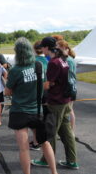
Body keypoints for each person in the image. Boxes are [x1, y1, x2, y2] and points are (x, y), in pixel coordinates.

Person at [5, 37, 58, 174]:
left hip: (19, 111)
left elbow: (7, 91)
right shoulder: (40, 65)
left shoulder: (15, 70)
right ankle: (54, 172)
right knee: (44, 142)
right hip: (37, 110)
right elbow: (45, 85)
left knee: (23, 148)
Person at [31, 36, 79, 170]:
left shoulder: (53, 62)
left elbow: (49, 84)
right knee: (66, 132)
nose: (42, 50)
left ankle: (46, 159)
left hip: (56, 102)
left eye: (42, 47)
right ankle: (72, 160)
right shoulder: (63, 59)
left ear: (46, 48)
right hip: (65, 100)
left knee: (49, 131)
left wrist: (39, 88)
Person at [28, 41, 49, 151]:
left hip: (37, 92)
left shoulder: (34, 61)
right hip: (45, 91)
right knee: (42, 118)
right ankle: (38, 139)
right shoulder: (46, 60)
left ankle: (37, 142)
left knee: (35, 119)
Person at [56, 39, 77, 134]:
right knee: (68, 110)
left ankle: (70, 131)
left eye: (58, 47)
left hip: (69, 88)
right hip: (71, 87)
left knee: (69, 110)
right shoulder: (69, 59)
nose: (56, 49)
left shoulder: (67, 60)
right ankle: (69, 131)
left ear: (64, 48)